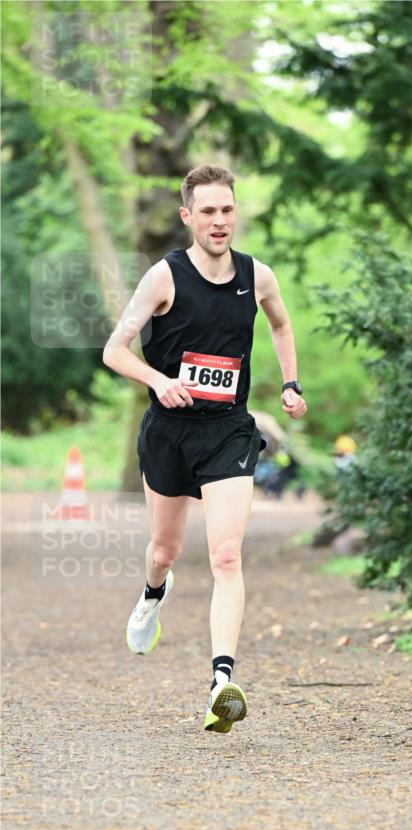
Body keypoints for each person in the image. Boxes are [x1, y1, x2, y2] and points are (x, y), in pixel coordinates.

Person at [102, 164, 307, 734]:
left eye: (228, 209)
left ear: (236, 213)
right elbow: (114, 350)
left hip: (228, 432)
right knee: (165, 550)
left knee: (224, 555)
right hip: (169, 432)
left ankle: (222, 681)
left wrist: (291, 384)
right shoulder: (163, 278)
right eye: (208, 211)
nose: (220, 221)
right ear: (188, 217)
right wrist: (156, 379)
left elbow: (282, 326)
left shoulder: (256, 275)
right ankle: (151, 595)